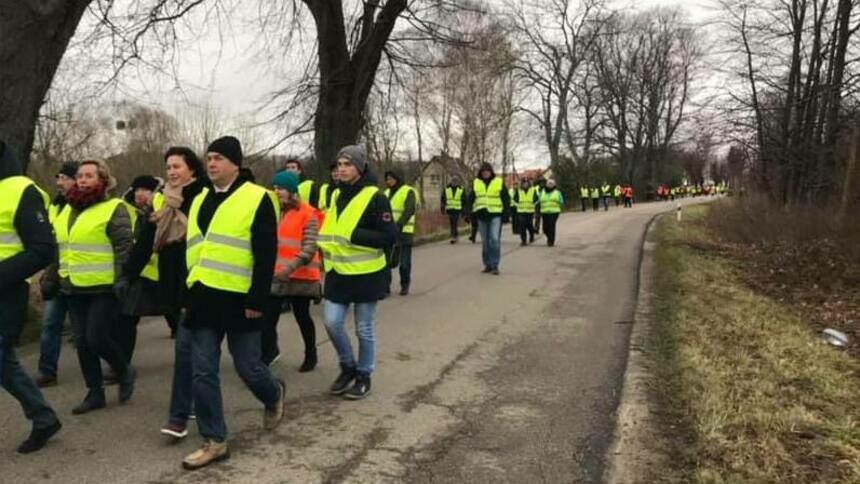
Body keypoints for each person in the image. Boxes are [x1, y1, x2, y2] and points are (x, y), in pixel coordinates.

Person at [181, 136, 286, 470]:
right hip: (203, 297)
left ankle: (273, 395)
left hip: (242, 299)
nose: (211, 163)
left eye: (218, 158)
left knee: (248, 368)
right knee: (202, 371)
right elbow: (195, 248)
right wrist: (189, 288)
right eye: (208, 158)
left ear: (235, 164)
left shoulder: (259, 198)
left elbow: (266, 252)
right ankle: (215, 440)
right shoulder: (199, 198)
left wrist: (258, 298)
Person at [42, 159, 136, 414]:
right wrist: (51, 277)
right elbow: (60, 249)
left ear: (103, 180)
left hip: (103, 287)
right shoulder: (66, 210)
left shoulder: (114, 208)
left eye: (89, 176)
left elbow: (124, 247)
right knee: (82, 343)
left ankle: (124, 370)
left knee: (96, 338)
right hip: (72, 287)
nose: (82, 180)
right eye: (80, 176)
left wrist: (122, 279)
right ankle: (95, 393)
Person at [318, 145, 397, 400]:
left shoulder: (376, 196)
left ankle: (363, 375)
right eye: (339, 165)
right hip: (338, 273)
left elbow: (388, 237)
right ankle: (347, 366)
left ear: (360, 167)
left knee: (364, 328)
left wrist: (354, 235)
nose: (341, 169)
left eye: (347, 164)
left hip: (366, 274)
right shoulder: (335, 195)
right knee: (331, 322)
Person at [0, 140, 63, 454]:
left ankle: (43, 417)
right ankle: (43, 418)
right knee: (5, 364)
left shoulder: (21, 190)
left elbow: (42, 250)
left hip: (6, 294)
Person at [261, 170, 322, 372]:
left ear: (292, 191)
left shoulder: (308, 213)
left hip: (300, 276)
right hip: (277, 275)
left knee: (302, 317)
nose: (277, 191)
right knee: (268, 318)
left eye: (281, 188)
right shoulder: (273, 211)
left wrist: (289, 267)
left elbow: (310, 247)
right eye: (275, 187)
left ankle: (311, 354)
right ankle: (269, 352)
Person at [35, 161, 78, 387]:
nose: (59, 183)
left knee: (86, 333)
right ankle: (47, 371)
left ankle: (114, 365)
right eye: (58, 178)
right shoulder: (55, 206)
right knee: (50, 324)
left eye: (64, 177)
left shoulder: (84, 205)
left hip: (80, 278)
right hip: (57, 275)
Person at [114, 175, 161, 364]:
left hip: (161, 273)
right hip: (138, 273)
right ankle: (122, 363)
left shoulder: (161, 210)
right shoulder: (127, 211)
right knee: (127, 316)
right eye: (137, 189)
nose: (140, 194)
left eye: (145, 190)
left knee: (178, 314)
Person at [469, 163, 510, 275]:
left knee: (494, 239)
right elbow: (471, 198)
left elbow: (506, 198)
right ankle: (487, 264)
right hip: (482, 215)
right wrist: (467, 212)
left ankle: (495, 264)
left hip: (496, 214)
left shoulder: (498, 182)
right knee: (485, 242)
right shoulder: (476, 183)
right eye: (483, 171)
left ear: (491, 172)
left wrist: (507, 213)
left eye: (487, 171)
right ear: (481, 173)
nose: (486, 173)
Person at [384, 170, 418, 296]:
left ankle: (405, 285)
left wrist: (399, 224)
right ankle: (385, 287)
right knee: (387, 262)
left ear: (397, 179)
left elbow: (409, 210)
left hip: (404, 232)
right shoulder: (386, 193)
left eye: (391, 179)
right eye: (387, 179)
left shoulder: (408, 191)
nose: (389, 181)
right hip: (389, 232)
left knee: (404, 263)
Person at [513, 178, 539, 246]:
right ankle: (523, 240)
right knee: (522, 226)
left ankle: (532, 235)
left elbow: (537, 200)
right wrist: (517, 205)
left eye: (527, 183)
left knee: (529, 225)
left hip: (530, 211)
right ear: (522, 184)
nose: (525, 184)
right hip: (521, 211)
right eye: (524, 183)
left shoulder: (533, 190)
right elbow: (514, 200)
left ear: (529, 184)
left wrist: (534, 204)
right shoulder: (518, 191)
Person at [540, 180, 564, 247]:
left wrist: (559, 208)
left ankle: (550, 241)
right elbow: (538, 200)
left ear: (554, 185)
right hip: (544, 212)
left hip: (554, 212)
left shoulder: (558, 193)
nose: (550, 185)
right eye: (549, 184)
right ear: (546, 184)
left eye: (551, 184)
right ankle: (549, 237)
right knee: (545, 228)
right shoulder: (542, 192)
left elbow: (561, 201)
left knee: (551, 226)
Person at [441, 178, 464, 244]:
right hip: (450, 209)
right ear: (451, 182)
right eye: (453, 181)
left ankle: (453, 236)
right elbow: (443, 199)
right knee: (452, 223)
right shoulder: (446, 189)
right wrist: (443, 208)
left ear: (458, 182)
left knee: (455, 222)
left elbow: (464, 200)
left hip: (457, 209)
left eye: (455, 182)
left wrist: (463, 211)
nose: (454, 183)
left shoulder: (461, 189)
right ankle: (455, 236)